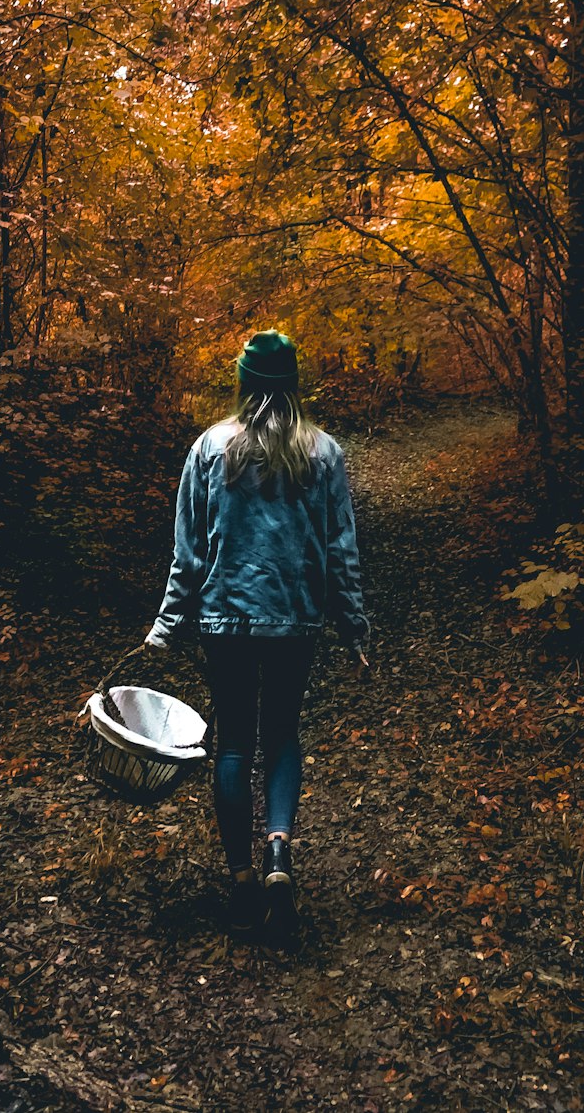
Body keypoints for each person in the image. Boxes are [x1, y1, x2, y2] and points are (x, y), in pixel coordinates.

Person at [144, 330, 369, 935]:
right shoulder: (325, 453)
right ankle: (277, 852)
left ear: (243, 383)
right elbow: (339, 548)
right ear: (293, 385)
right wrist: (353, 627)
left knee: (235, 744)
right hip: (296, 617)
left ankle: (242, 879)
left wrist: (166, 625)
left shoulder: (210, 448)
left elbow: (188, 552)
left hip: (225, 618)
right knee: (283, 737)